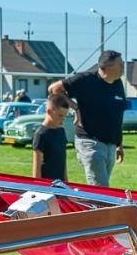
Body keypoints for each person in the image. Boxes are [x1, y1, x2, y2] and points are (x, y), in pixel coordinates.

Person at [47, 50, 126, 187]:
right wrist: (75, 108)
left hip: (110, 146)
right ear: (107, 67)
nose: (123, 66)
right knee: (100, 190)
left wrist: (119, 144)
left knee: (101, 188)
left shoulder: (117, 84)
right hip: (90, 142)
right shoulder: (86, 80)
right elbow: (54, 89)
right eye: (120, 64)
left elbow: (117, 115)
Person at [30, 94, 70, 181]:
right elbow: (36, 167)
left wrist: (66, 182)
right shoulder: (40, 134)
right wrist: (38, 187)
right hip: (46, 185)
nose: (63, 119)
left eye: (65, 116)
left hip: (60, 184)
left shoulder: (61, 132)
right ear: (49, 112)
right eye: (60, 115)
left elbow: (63, 162)